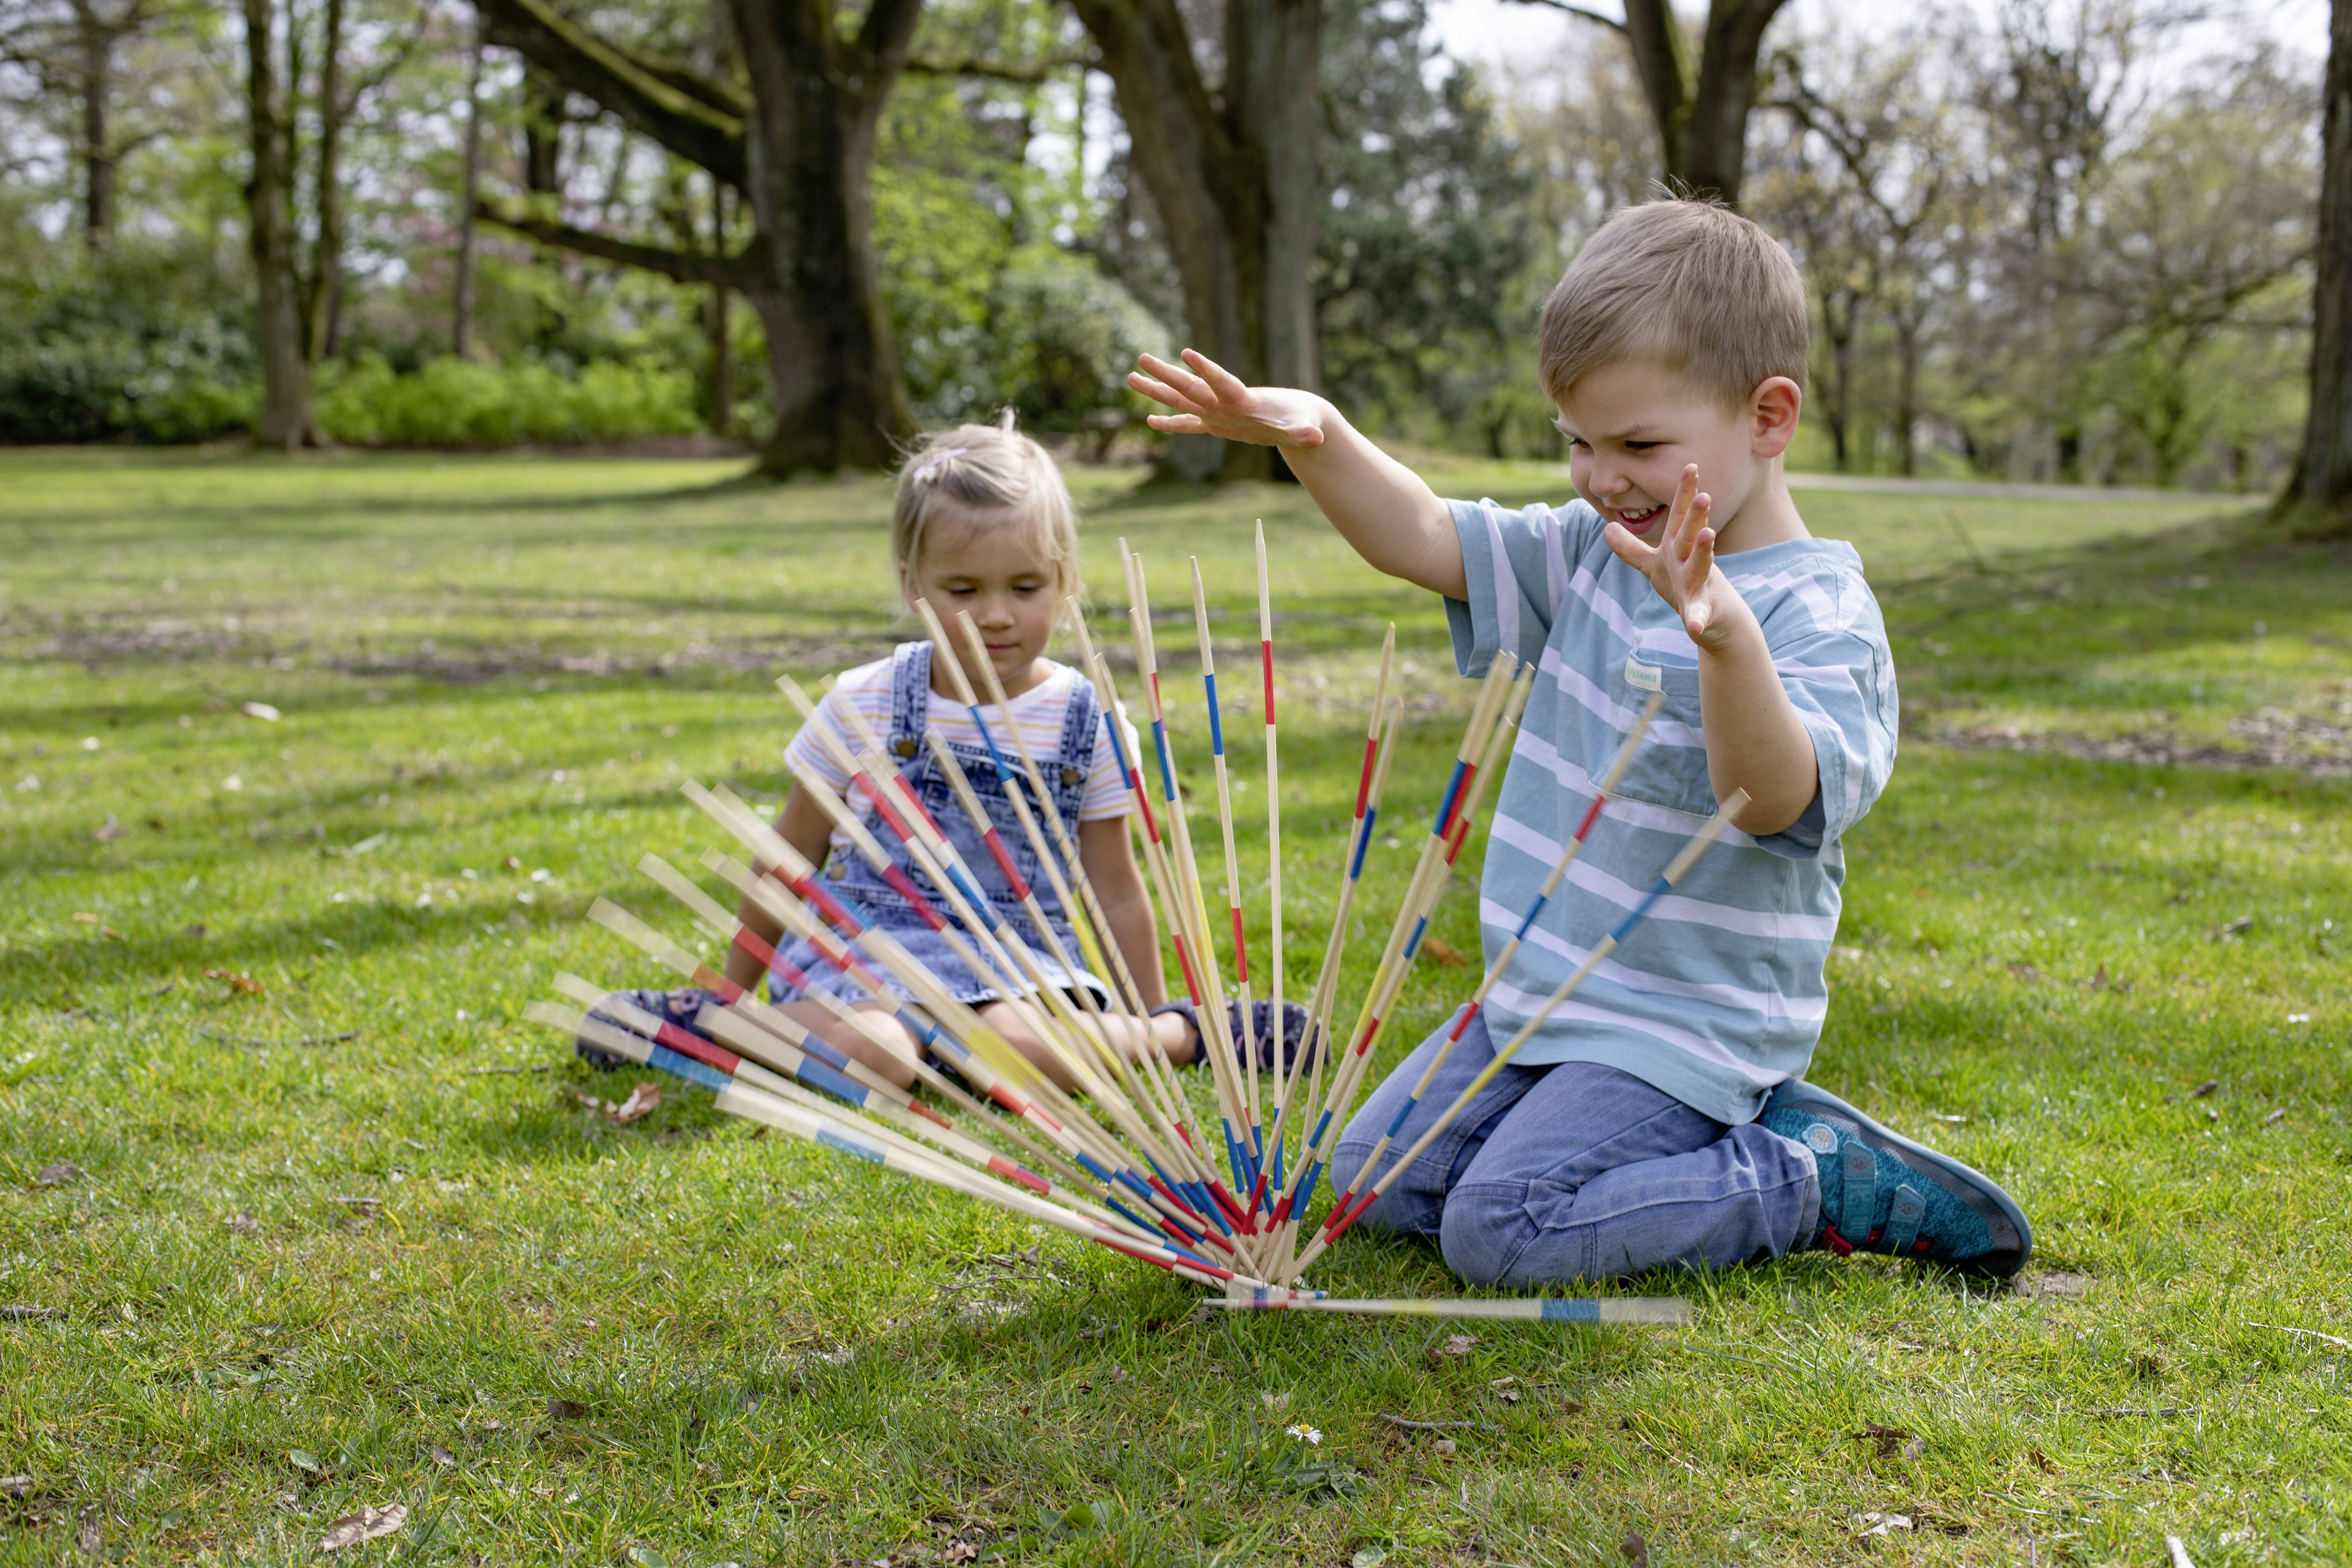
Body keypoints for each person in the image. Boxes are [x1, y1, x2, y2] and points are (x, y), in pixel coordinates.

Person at [1128, 198, 2030, 1281]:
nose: (1602, 476)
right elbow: (1425, 537)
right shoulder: (1595, 552)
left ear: (1769, 417)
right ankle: (1651, 1139)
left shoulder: (1816, 614)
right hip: (1534, 997)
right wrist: (1317, 434)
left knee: (1502, 1232)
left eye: (1640, 444)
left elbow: (1776, 797)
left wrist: (1726, 642)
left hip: (1678, 1025)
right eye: (1578, 443)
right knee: (1371, 1184)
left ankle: (1803, 1176)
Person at [583, 411, 1303, 1092]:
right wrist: (735, 986)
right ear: (911, 582)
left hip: (1020, 963)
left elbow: (1115, 885)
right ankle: (710, 1023)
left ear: (1066, 583)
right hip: (869, 957)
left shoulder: (1087, 719)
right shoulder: (865, 701)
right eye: (963, 589)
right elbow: (787, 856)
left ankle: (1182, 1036)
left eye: (1026, 587)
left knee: (1015, 1049)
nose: (996, 614)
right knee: (881, 1056)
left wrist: (1141, 1019)